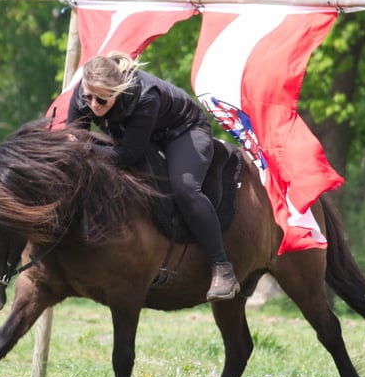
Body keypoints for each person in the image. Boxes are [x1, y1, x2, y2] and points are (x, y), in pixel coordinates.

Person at [66, 52, 240, 302]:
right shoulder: (83, 94)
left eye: (102, 101)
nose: (93, 105)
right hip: (144, 136)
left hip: (184, 131)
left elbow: (127, 154)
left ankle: (222, 267)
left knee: (185, 189)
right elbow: (75, 144)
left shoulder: (146, 95)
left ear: (118, 91)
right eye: (88, 97)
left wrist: (83, 148)